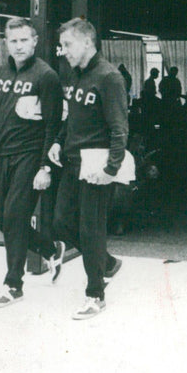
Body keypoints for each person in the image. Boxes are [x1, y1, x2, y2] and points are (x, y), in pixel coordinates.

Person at [0, 18, 65, 307]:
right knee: (3, 221)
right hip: (3, 156)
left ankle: (13, 284)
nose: (18, 46)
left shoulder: (46, 76)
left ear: (34, 41)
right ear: (6, 43)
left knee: (16, 217)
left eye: (23, 40)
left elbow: (53, 126)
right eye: (13, 41)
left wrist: (45, 166)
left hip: (31, 157)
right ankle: (50, 249)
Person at [48, 18, 128, 320]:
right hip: (71, 163)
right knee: (59, 223)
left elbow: (120, 128)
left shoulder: (109, 77)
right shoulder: (77, 75)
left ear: (86, 42)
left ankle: (96, 294)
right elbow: (72, 120)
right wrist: (58, 141)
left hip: (96, 166)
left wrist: (111, 169)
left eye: (67, 44)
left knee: (90, 230)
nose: (62, 50)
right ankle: (106, 264)